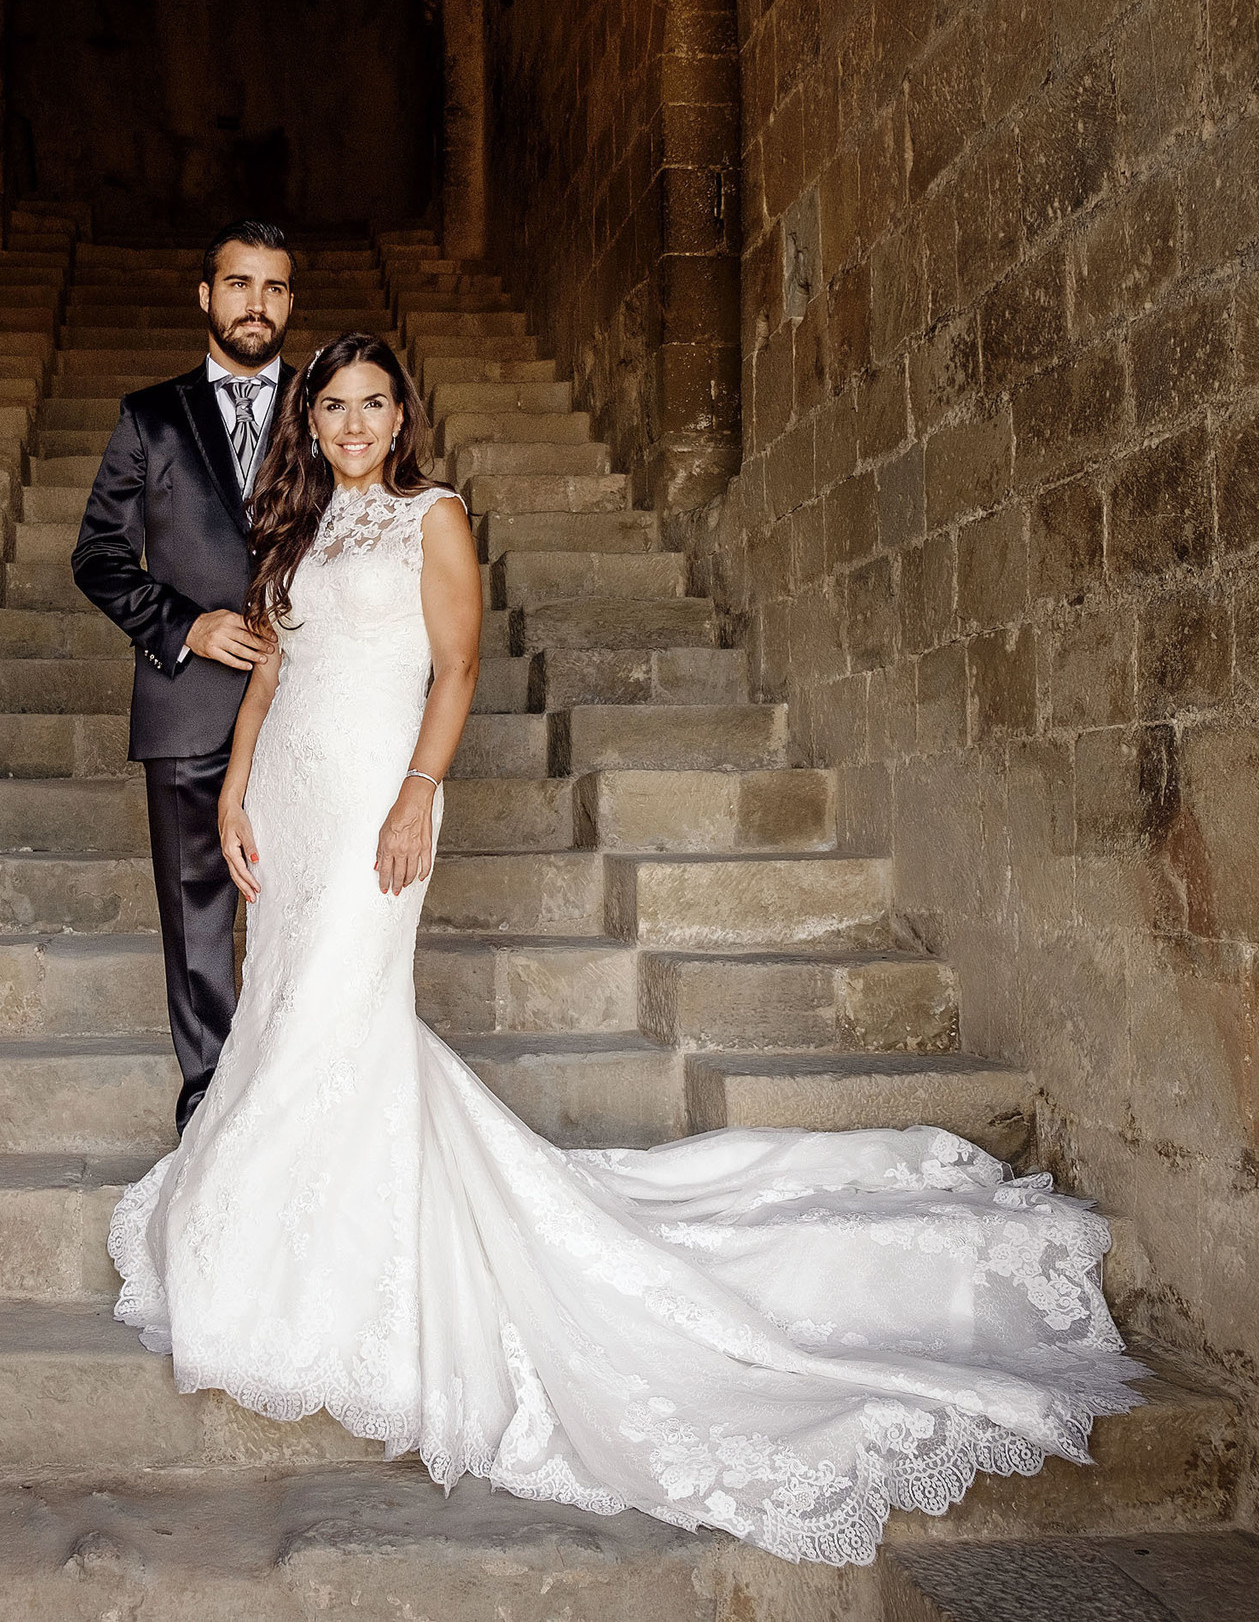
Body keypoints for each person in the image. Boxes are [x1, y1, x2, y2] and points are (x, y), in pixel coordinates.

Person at [105, 331, 1145, 1568]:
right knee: (281, 1013)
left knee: (342, 1013)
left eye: (372, 405)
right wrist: (231, 794)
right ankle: (268, 1218)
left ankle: (342, 1263)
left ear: (401, 417)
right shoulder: (299, 532)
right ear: (312, 421)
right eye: (331, 406)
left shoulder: (433, 517)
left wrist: (415, 794)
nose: (350, 424)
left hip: (377, 807)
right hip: (287, 799)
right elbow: (270, 677)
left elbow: (457, 666)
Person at [72, 219, 295, 1133]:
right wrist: (185, 626)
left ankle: (298, 1096)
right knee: (198, 914)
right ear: (205, 297)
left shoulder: (328, 410)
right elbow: (97, 555)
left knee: (308, 904)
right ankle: (211, 1111)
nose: (257, 303)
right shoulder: (150, 417)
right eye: (239, 284)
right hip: (187, 702)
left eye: (275, 288)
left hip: (308, 706)